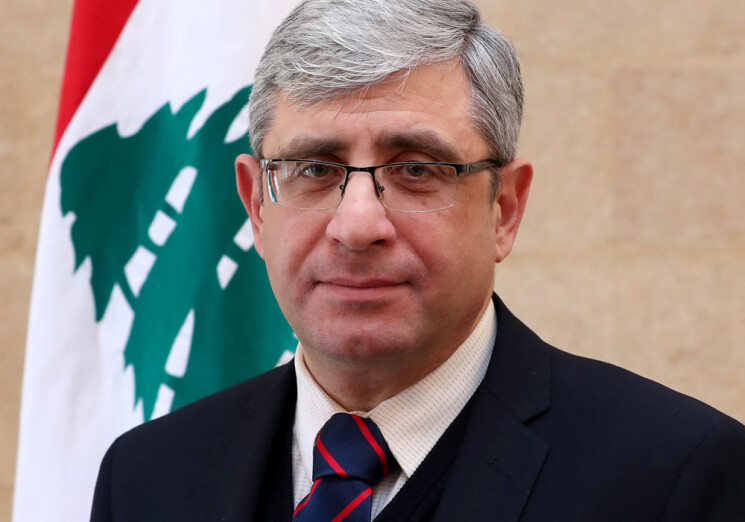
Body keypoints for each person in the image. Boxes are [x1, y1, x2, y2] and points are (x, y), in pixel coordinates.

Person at [90, 0, 745, 520]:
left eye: (416, 169)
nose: (357, 225)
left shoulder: (674, 479)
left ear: (503, 209)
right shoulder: (145, 479)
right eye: (315, 168)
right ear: (257, 206)